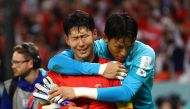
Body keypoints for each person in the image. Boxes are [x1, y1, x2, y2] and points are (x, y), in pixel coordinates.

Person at [47, 12, 156, 109]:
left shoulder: (145, 54)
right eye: (118, 47)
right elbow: (55, 63)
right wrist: (101, 69)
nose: (124, 53)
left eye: (129, 46)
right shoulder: (96, 47)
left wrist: (76, 91)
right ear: (105, 38)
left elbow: (126, 92)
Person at [35, 10, 132, 109]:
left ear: (94, 34)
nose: (81, 43)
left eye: (84, 36)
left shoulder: (113, 70)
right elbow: (42, 106)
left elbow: (127, 106)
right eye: (75, 38)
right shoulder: (56, 74)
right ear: (67, 40)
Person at [0, 42, 47, 109]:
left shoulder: (50, 83)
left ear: (31, 63)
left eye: (17, 62)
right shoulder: (9, 87)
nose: (13, 66)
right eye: (13, 62)